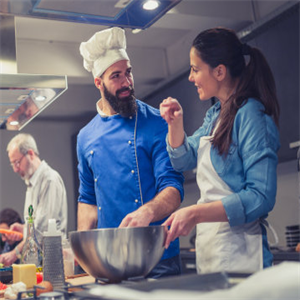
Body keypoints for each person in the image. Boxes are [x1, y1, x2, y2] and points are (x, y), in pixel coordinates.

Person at [160, 27, 280, 274]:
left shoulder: (252, 116)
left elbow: (261, 196)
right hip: (213, 252)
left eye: (195, 69)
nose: (191, 78)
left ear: (220, 71)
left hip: (244, 257)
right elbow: (183, 160)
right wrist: (175, 125)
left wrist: (195, 214)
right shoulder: (216, 115)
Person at [77, 27, 184, 278]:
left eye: (129, 73)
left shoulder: (157, 122)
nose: (126, 83)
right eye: (116, 76)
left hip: (159, 259)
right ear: (98, 82)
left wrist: (147, 211)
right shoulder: (85, 137)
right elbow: (88, 199)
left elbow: (173, 189)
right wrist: (83, 253)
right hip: (110, 261)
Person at [0, 133, 68, 266]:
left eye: (17, 162)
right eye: (12, 164)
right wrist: (22, 228)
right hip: (39, 263)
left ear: (30, 154)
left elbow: (43, 229)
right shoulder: (31, 183)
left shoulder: (49, 180)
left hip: (52, 264)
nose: (15, 169)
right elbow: (35, 225)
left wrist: (15, 254)